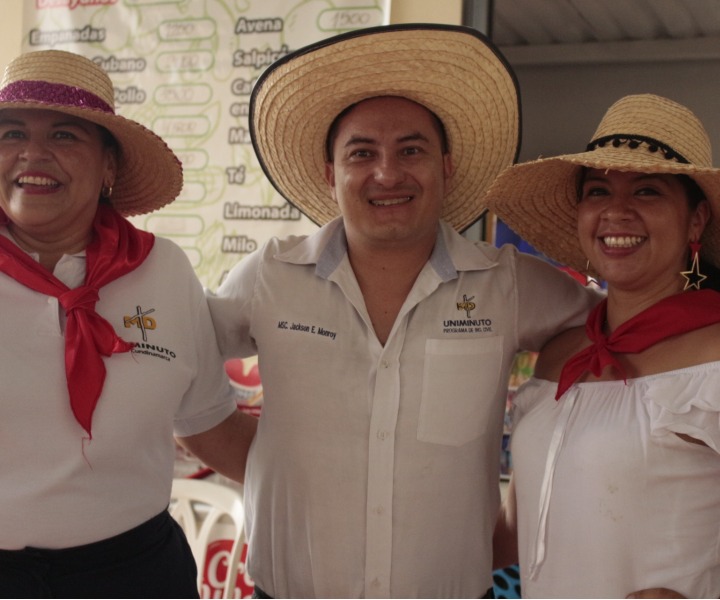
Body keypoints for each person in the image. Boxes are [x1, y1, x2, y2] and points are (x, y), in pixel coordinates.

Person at [207, 24, 602, 598]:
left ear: (445, 165)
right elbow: (179, 366)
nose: (387, 174)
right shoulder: (271, 275)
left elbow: (607, 330)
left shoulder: (507, 283)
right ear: (330, 174)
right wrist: (277, 473)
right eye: (361, 153)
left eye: (410, 150)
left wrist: (541, 424)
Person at [0, 49, 256, 598]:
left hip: (135, 576)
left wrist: (354, 463)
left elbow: (210, 425)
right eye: (11, 134)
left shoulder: (162, 270)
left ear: (110, 166)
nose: (32, 154)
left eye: (65, 136)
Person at [485, 93, 720, 598]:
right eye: (597, 192)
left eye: (648, 192)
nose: (617, 212)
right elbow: (518, 528)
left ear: (696, 220)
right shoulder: (558, 356)